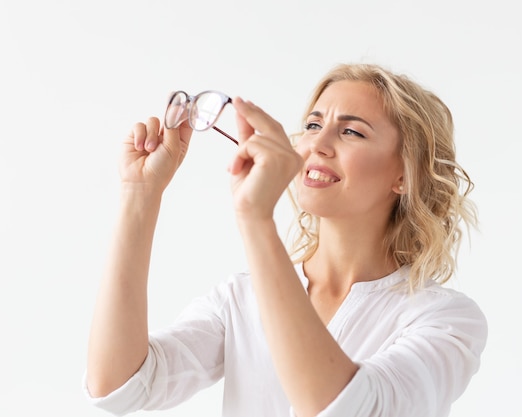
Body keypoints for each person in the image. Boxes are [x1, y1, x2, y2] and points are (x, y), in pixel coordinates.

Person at [84, 63, 488, 417]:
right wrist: (140, 196)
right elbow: (119, 386)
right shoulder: (240, 298)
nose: (317, 144)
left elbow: (344, 408)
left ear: (404, 174)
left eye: (351, 131)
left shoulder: (445, 321)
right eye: (313, 125)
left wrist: (256, 219)